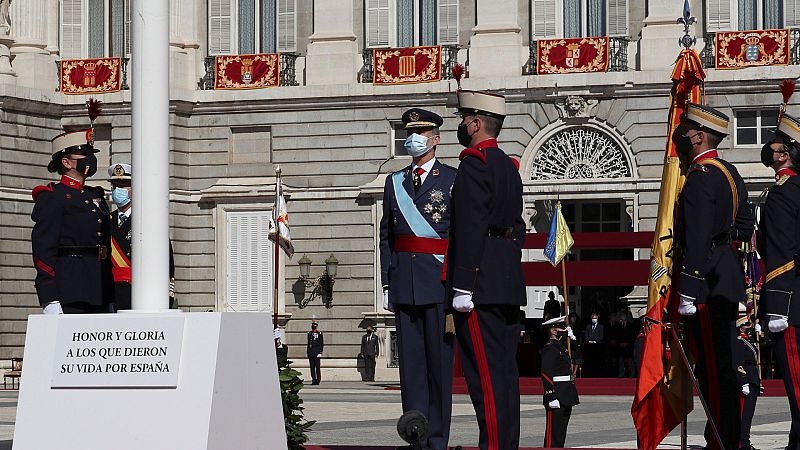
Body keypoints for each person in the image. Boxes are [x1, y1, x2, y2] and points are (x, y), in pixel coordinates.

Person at [445, 90, 526, 450]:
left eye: (464, 120)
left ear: (476, 124)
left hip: (480, 286)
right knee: (506, 377)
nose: (462, 126)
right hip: (506, 283)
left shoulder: (474, 164)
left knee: (486, 380)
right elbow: (518, 228)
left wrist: (463, 285)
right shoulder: (508, 168)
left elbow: (470, 227)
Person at [674, 103, 754, 450]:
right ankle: (726, 436)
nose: (681, 136)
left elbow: (697, 235)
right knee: (722, 364)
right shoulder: (729, 171)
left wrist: (688, 289)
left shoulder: (701, 177)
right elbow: (745, 224)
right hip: (726, 273)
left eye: (687, 129)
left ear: (699, 135)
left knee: (713, 369)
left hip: (706, 283)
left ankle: (722, 439)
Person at [379, 108, 456, 450]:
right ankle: (415, 433)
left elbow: (459, 235)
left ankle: (437, 438)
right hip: (404, 282)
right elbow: (386, 236)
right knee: (410, 369)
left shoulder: (453, 178)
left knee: (438, 367)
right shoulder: (393, 181)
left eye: (421, 133)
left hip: (438, 283)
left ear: (436, 139)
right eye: (410, 132)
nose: (414, 139)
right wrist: (385, 281)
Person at [31, 129, 114, 314]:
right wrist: (49, 297)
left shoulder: (96, 195)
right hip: (70, 289)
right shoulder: (53, 197)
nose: (89, 159)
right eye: (84, 154)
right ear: (66, 162)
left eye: (90, 154)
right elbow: (43, 250)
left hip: (100, 287)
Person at [756, 110, 800, 450]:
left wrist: (777, 305)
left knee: (797, 384)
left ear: (784, 154)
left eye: (776, 144)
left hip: (792, 303)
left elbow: (781, 252)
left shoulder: (783, 193)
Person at [107, 163, 176, 310]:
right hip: (111, 295)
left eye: (124, 185)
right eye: (115, 186)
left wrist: (167, 294)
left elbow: (165, 259)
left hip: (140, 295)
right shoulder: (106, 221)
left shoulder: (147, 221)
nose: (118, 190)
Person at [541, 316, 579, 448]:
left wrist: (573, 340)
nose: (564, 330)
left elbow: (577, 356)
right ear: (553, 330)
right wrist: (550, 395)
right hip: (557, 394)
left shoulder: (561, 348)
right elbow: (546, 373)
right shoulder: (550, 348)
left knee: (561, 432)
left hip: (566, 394)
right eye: (562, 327)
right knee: (554, 434)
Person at [733, 316, 761, 450]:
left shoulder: (749, 341)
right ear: (741, 328)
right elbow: (739, 363)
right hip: (746, 381)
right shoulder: (739, 342)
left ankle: (745, 442)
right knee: (744, 416)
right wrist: (743, 381)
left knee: (748, 416)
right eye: (747, 325)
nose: (750, 327)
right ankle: (742, 443)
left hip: (753, 379)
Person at [583, 313, 604, 377]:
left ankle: (597, 373)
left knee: (597, 360)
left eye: (595, 318)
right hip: (589, 346)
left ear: (597, 319)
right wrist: (589, 340)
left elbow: (601, 336)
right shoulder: (588, 326)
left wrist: (595, 341)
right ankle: (590, 373)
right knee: (589, 360)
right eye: (592, 318)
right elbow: (586, 334)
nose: (594, 319)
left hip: (597, 346)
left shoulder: (601, 326)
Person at [307, 320, 324, 385]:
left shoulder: (319, 333)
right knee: (312, 367)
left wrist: (320, 352)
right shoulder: (309, 333)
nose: (314, 326)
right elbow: (309, 343)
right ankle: (313, 379)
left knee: (317, 367)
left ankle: (318, 379)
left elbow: (321, 343)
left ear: (316, 326)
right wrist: (308, 352)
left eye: (315, 325)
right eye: (313, 325)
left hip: (317, 353)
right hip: (311, 353)